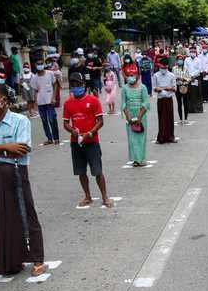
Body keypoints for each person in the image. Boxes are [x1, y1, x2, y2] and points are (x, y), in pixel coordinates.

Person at [0, 84, 46, 277]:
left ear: (4, 100)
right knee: (4, 217)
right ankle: (13, 261)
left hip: (16, 172)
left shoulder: (20, 121)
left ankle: (37, 258)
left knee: (27, 213)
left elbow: (21, 148)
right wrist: (6, 146)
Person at [62, 73, 113, 208]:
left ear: (83, 85)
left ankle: (105, 197)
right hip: (76, 142)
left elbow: (100, 121)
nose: (75, 87)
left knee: (97, 171)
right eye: (73, 85)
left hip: (92, 141)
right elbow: (66, 123)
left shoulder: (93, 100)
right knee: (80, 171)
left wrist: (90, 133)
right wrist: (72, 130)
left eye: (78, 84)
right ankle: (87, 196)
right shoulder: (68, 103)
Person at [121, 66, 150, 167]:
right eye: (128, 75)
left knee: (141, 137)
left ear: (137, 76)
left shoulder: (143, 87)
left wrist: (139, 117)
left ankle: (140, 158)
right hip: (129, 115)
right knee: (132, 138)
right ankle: (135, 160)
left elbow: (146, 103)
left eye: (132, 75)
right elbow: (123, 104)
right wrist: (128, 117)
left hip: (141, 115)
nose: (130, 77)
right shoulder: (124, 88)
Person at [30, 58, 60, 145]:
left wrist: (54, 97)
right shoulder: (34, 78)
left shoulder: (50, 73)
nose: (39, 65)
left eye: (41, 63)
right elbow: (35, 90)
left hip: (50, 101)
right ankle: (49, 139)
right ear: (35, 66)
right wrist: (35, 102)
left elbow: (55, 85)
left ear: (43, 64)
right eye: (38, 64)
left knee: (52, 120)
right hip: (41, 102)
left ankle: (56, 138)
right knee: (44, 121)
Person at [152, 58, 177, 144]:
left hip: (169, 99)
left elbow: (174, 88)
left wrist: (168, 88)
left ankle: (171, 137)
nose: (163, 69)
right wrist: (159, 89)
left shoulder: (171, 75)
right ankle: (161, 137)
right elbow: (154, 88)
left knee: (170, 118)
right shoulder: (156, 75)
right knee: (161, 118)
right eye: (162, 67)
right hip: (161, 99)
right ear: (159, 66)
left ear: (167, 67)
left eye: (165, 68)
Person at [172, 56, 191, 125]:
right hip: (178, 87)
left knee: (185, 103)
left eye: (181, 60)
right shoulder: (174, 68)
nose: (180, 61)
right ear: (176, 61)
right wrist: (177, 79)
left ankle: (186, 119)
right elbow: (173, 77)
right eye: (179, 60)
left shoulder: (185, 68)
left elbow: (189, 78)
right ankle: (180, 119)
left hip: (185, 86)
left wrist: (185, 79)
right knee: (179, 103)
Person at [185, 48, 203, 114]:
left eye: (194, 52)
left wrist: (193, 75)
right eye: (191, 52)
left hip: (196, 78)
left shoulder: (198, 60)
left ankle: (198, 108)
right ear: (189, 53)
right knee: (189, 93)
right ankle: (190, 109)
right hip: (189, 78)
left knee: (197, 93)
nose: (192, 53)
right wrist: (190, 75)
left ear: (196, 53)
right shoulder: (187, 60)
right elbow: (185, 68)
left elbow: (199, 69)